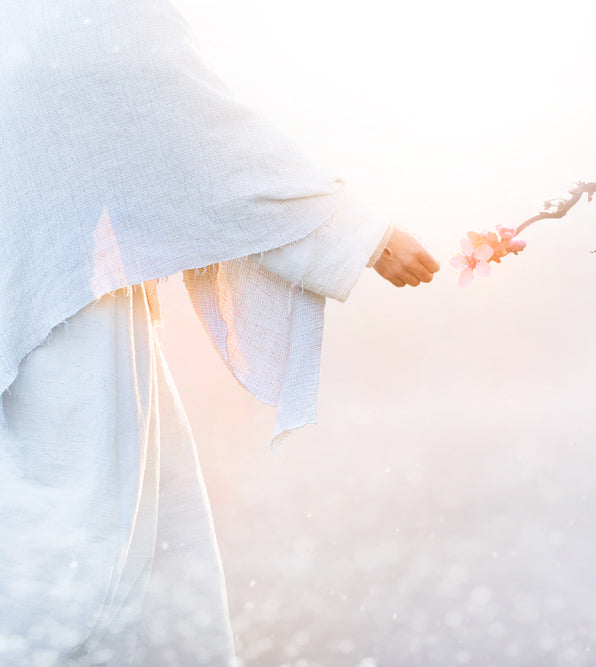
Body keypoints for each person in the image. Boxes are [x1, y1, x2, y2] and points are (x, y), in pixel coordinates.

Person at [0, 1, 439, 664]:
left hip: (40, 303)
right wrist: (359, 234)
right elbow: (201, 140)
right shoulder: (93, 15)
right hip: (65, 333)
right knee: (87, 571)